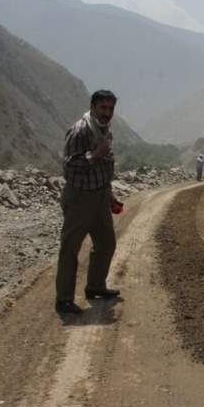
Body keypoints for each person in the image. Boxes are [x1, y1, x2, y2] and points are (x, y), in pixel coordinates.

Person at [55, 89, 121, 314]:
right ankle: (63, 299)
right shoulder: (80, 130)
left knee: (106, 243)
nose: (107, 113)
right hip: (80, 197)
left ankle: (95, 286)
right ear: (93, 107)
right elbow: (68, 165)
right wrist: (95, 155)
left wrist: (109, 194)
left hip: (100, 195)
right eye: (103, 108)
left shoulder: (104, 130)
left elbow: (106, 163)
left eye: (110, 109)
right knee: (70, 248)